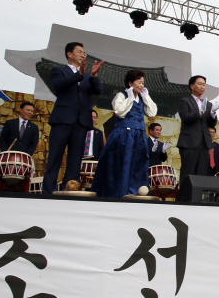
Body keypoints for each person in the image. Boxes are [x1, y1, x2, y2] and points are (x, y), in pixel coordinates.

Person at [43, 42, 103, 195]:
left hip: (81, 122)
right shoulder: (59, 71)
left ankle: (69, 190)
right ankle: (48, 192)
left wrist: (94, 75)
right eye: (79, 51)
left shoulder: (88, 76)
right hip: (62, 120)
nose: (83, 54)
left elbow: (98, 90)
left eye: (84, 52)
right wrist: (79, 75)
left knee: (75, 160)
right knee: (55, 157)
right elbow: (59, 84)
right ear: (69, 54)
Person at [91, 69, 157, 198]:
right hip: (124, 135)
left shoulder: (142, 98)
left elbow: (152, 113)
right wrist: (130, 98)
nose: (141, 85)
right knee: (121, 163)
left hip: (139, 136)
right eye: (139, 82)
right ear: (130, 83)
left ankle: (134, 192)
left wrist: (146, 96)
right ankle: (118, 193)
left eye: (143, 83)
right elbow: (120, 112)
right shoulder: (122, 95)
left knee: (138, 164)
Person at [177, 75, 219, 195]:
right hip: (189, 142)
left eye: (204, 84)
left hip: (204, 143)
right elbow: (185, 118)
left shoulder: (208, 104)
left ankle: (198, 198)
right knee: (188, 171)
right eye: (199, 84)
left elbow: (211, 123)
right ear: (192, 86)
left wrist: (212, 113)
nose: (202, 86)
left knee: (201, 173)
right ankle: (184, 197)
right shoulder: (184, 101)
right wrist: (200, 112)